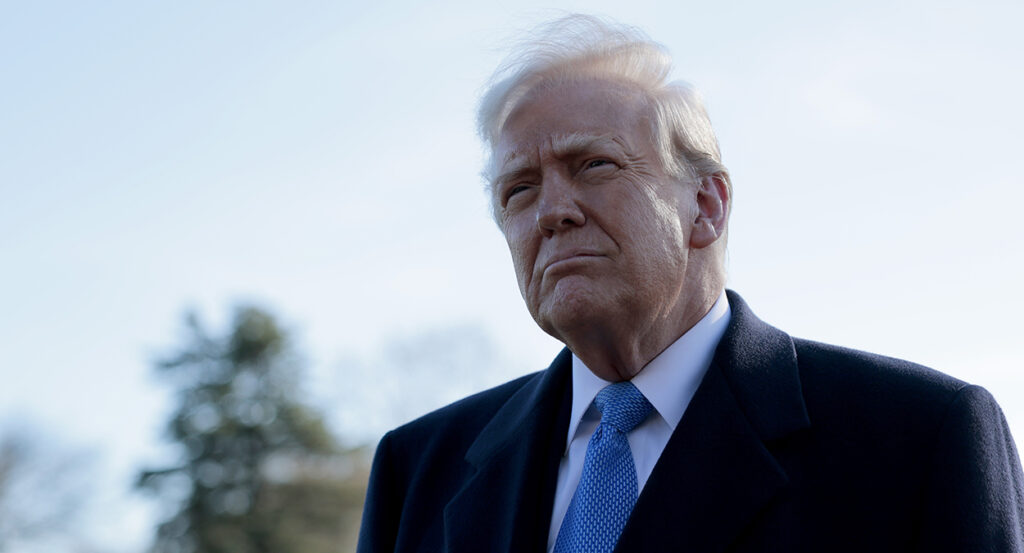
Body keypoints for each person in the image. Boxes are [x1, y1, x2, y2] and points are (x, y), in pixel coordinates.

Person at [356, 14, 1024, 553]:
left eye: (593, 165)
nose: (552, 211)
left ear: (705, 205)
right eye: (519, 189)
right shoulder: (419, 469)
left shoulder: (918, 439)